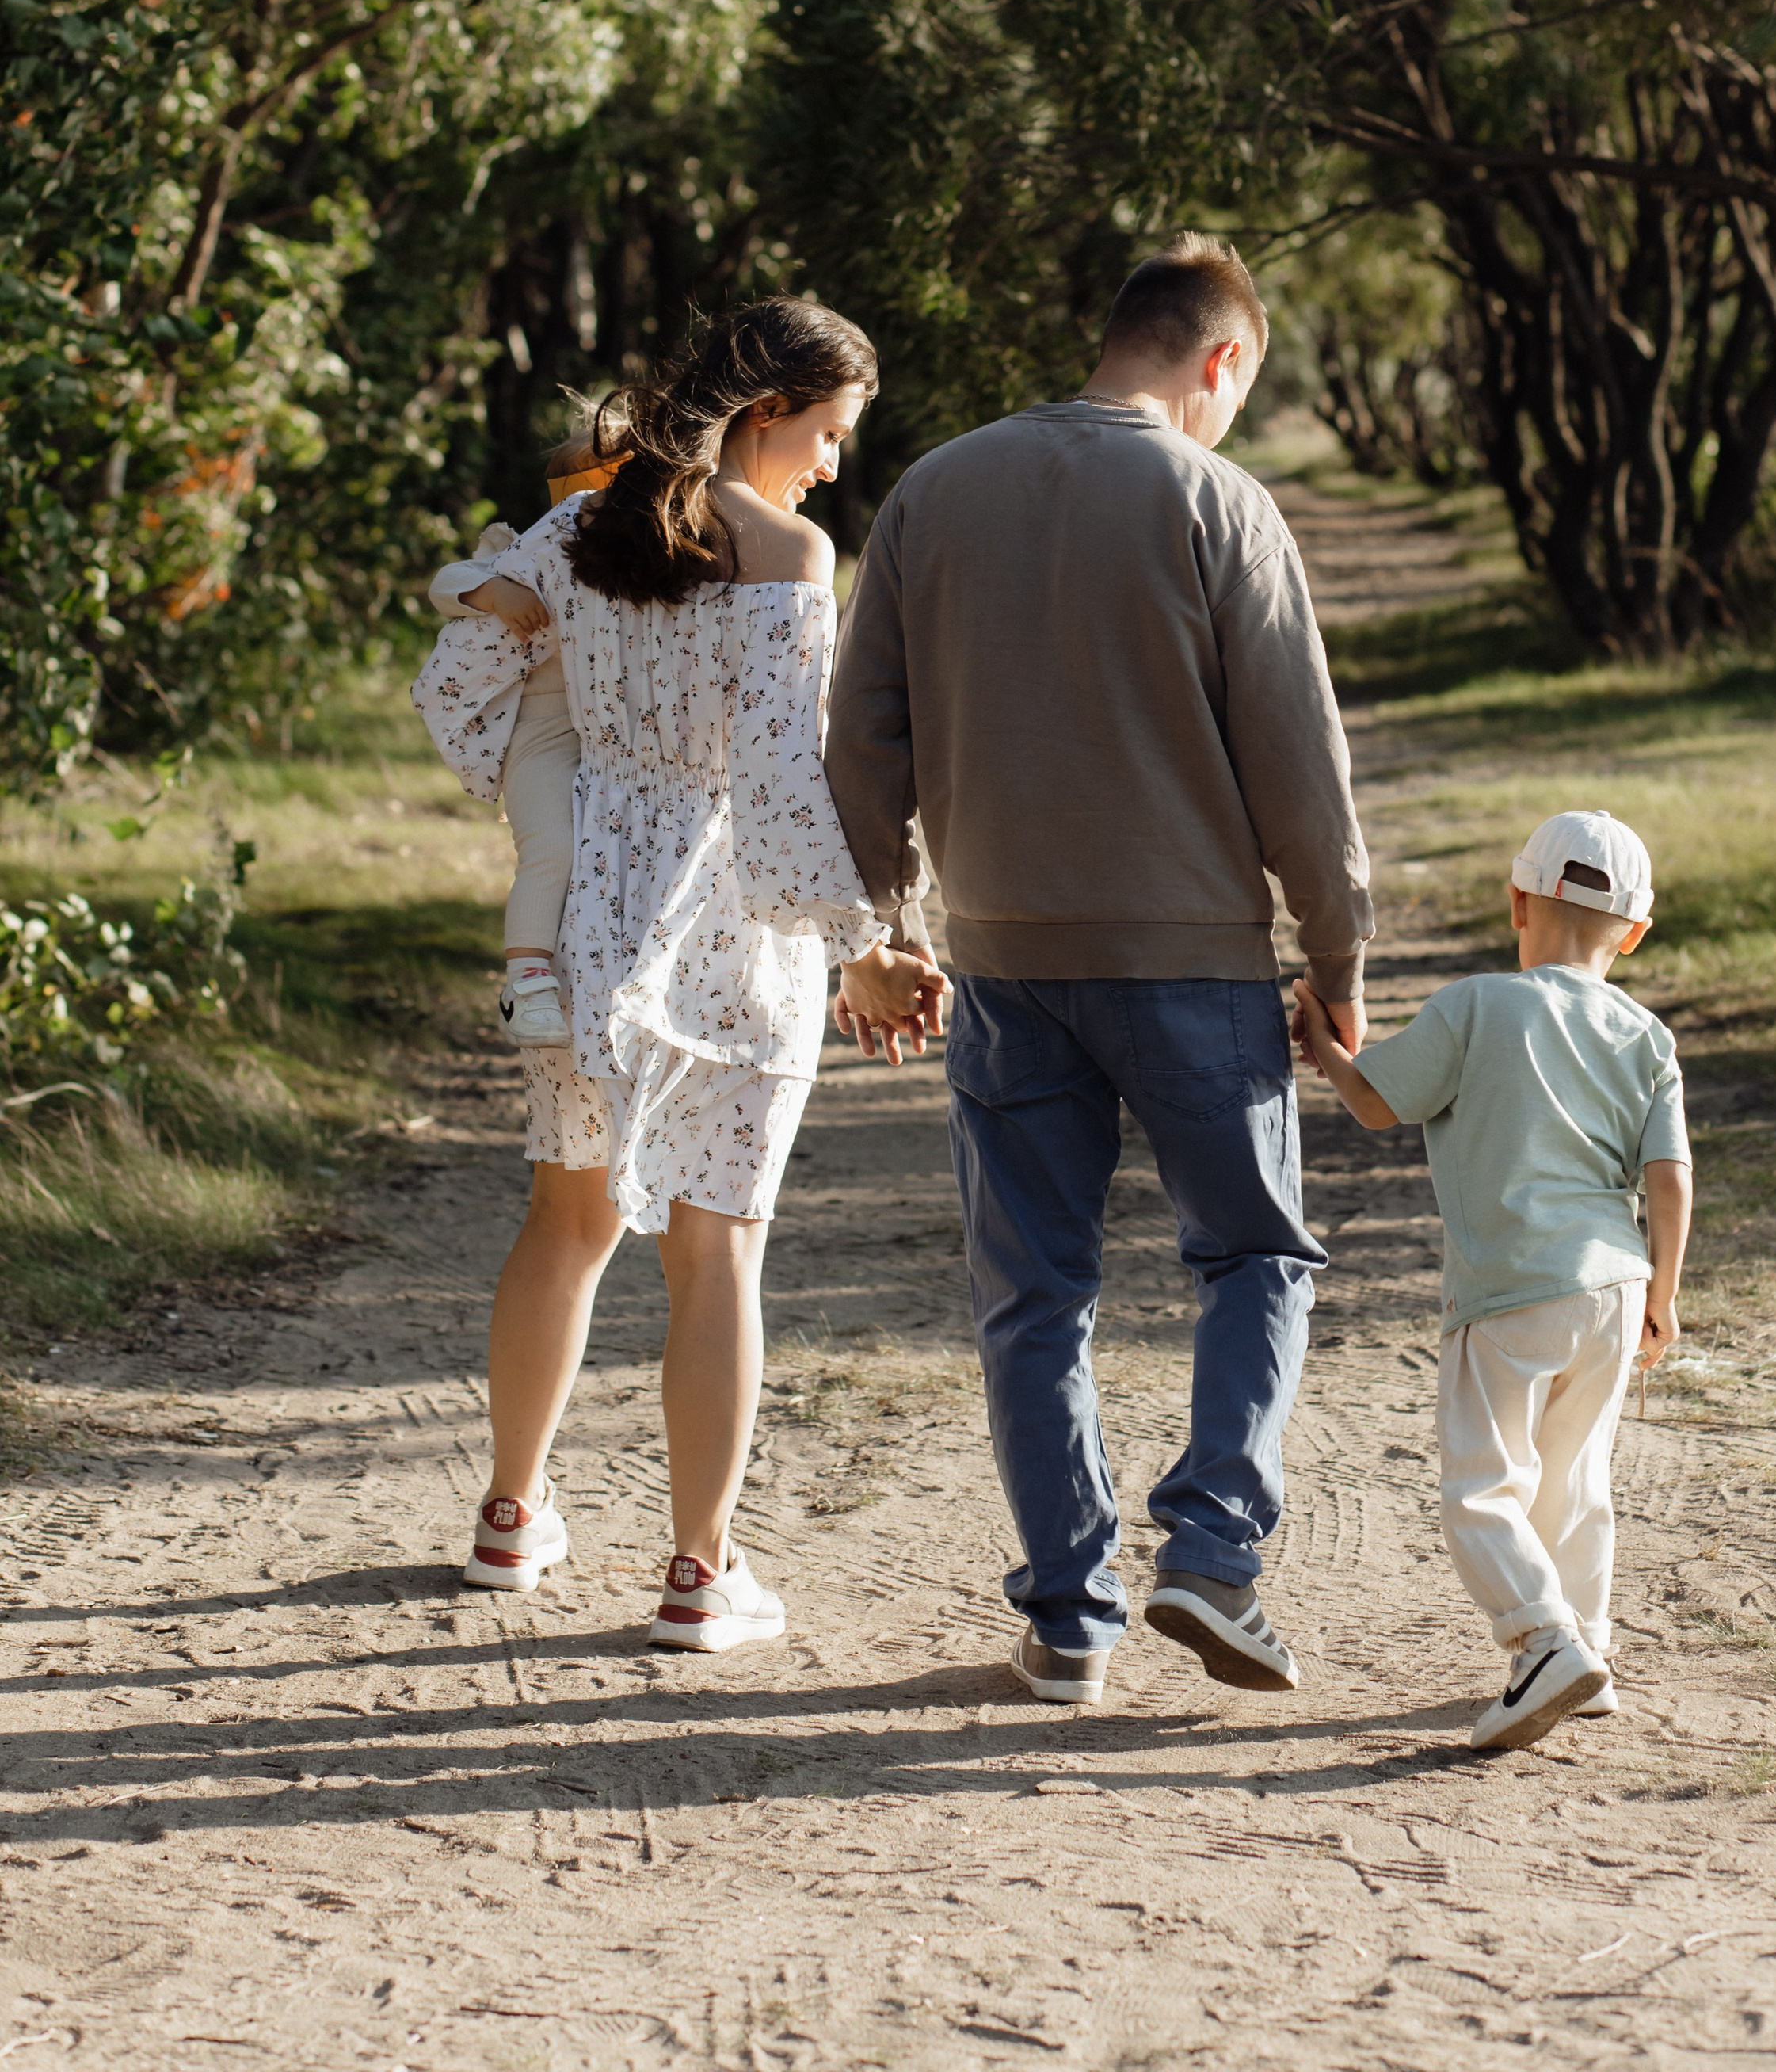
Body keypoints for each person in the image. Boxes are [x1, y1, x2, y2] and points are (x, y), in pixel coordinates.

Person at [827, 235, 1373, 1708]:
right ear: (1224, 360)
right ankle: (1208, 1550)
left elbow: (862, 741)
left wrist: (887, 928)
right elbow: (1300, 766)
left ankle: (1071, 1619)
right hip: (1193, 965)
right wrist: (1335, 954)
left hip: (1003, 966)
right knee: (1254, 1256)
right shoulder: (1219, 502)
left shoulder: (934, 491)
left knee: (1034, 1295)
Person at [426, 303, 942, 1649]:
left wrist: (548, 790)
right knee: (718, 1252)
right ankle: (700, 1577)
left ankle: (508, 1518)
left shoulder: (579, 525)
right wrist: (863, 952)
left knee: (567, 1220)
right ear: (768, 414)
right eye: (829, 434)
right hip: (729, 935)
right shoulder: (784, 555)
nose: (832, 464)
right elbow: (777, 787)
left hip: (586, 913)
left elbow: (455, 682)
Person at [1293, 808, 1693, 1753]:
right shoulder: (1646, 1037)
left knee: (1481, 1487)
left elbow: (1377, 1104)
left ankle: (1543, 1643)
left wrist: (1324, 1044)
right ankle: (1585, 1652)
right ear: (1632, 934)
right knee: (1575, 1479)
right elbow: (1670, 1178)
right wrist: (1663, 1296)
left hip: (1509, 1289)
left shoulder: (1473, 1006)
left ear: (1518, 900)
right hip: (1614, 1287)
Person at [413, 418, 630, 1050]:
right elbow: (443, 584)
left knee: (607, 856)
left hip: (611, 741)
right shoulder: (526, 559)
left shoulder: (637, 568)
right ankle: (528, 982)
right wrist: (493, 592)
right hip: (540, 736)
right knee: (554, 848)